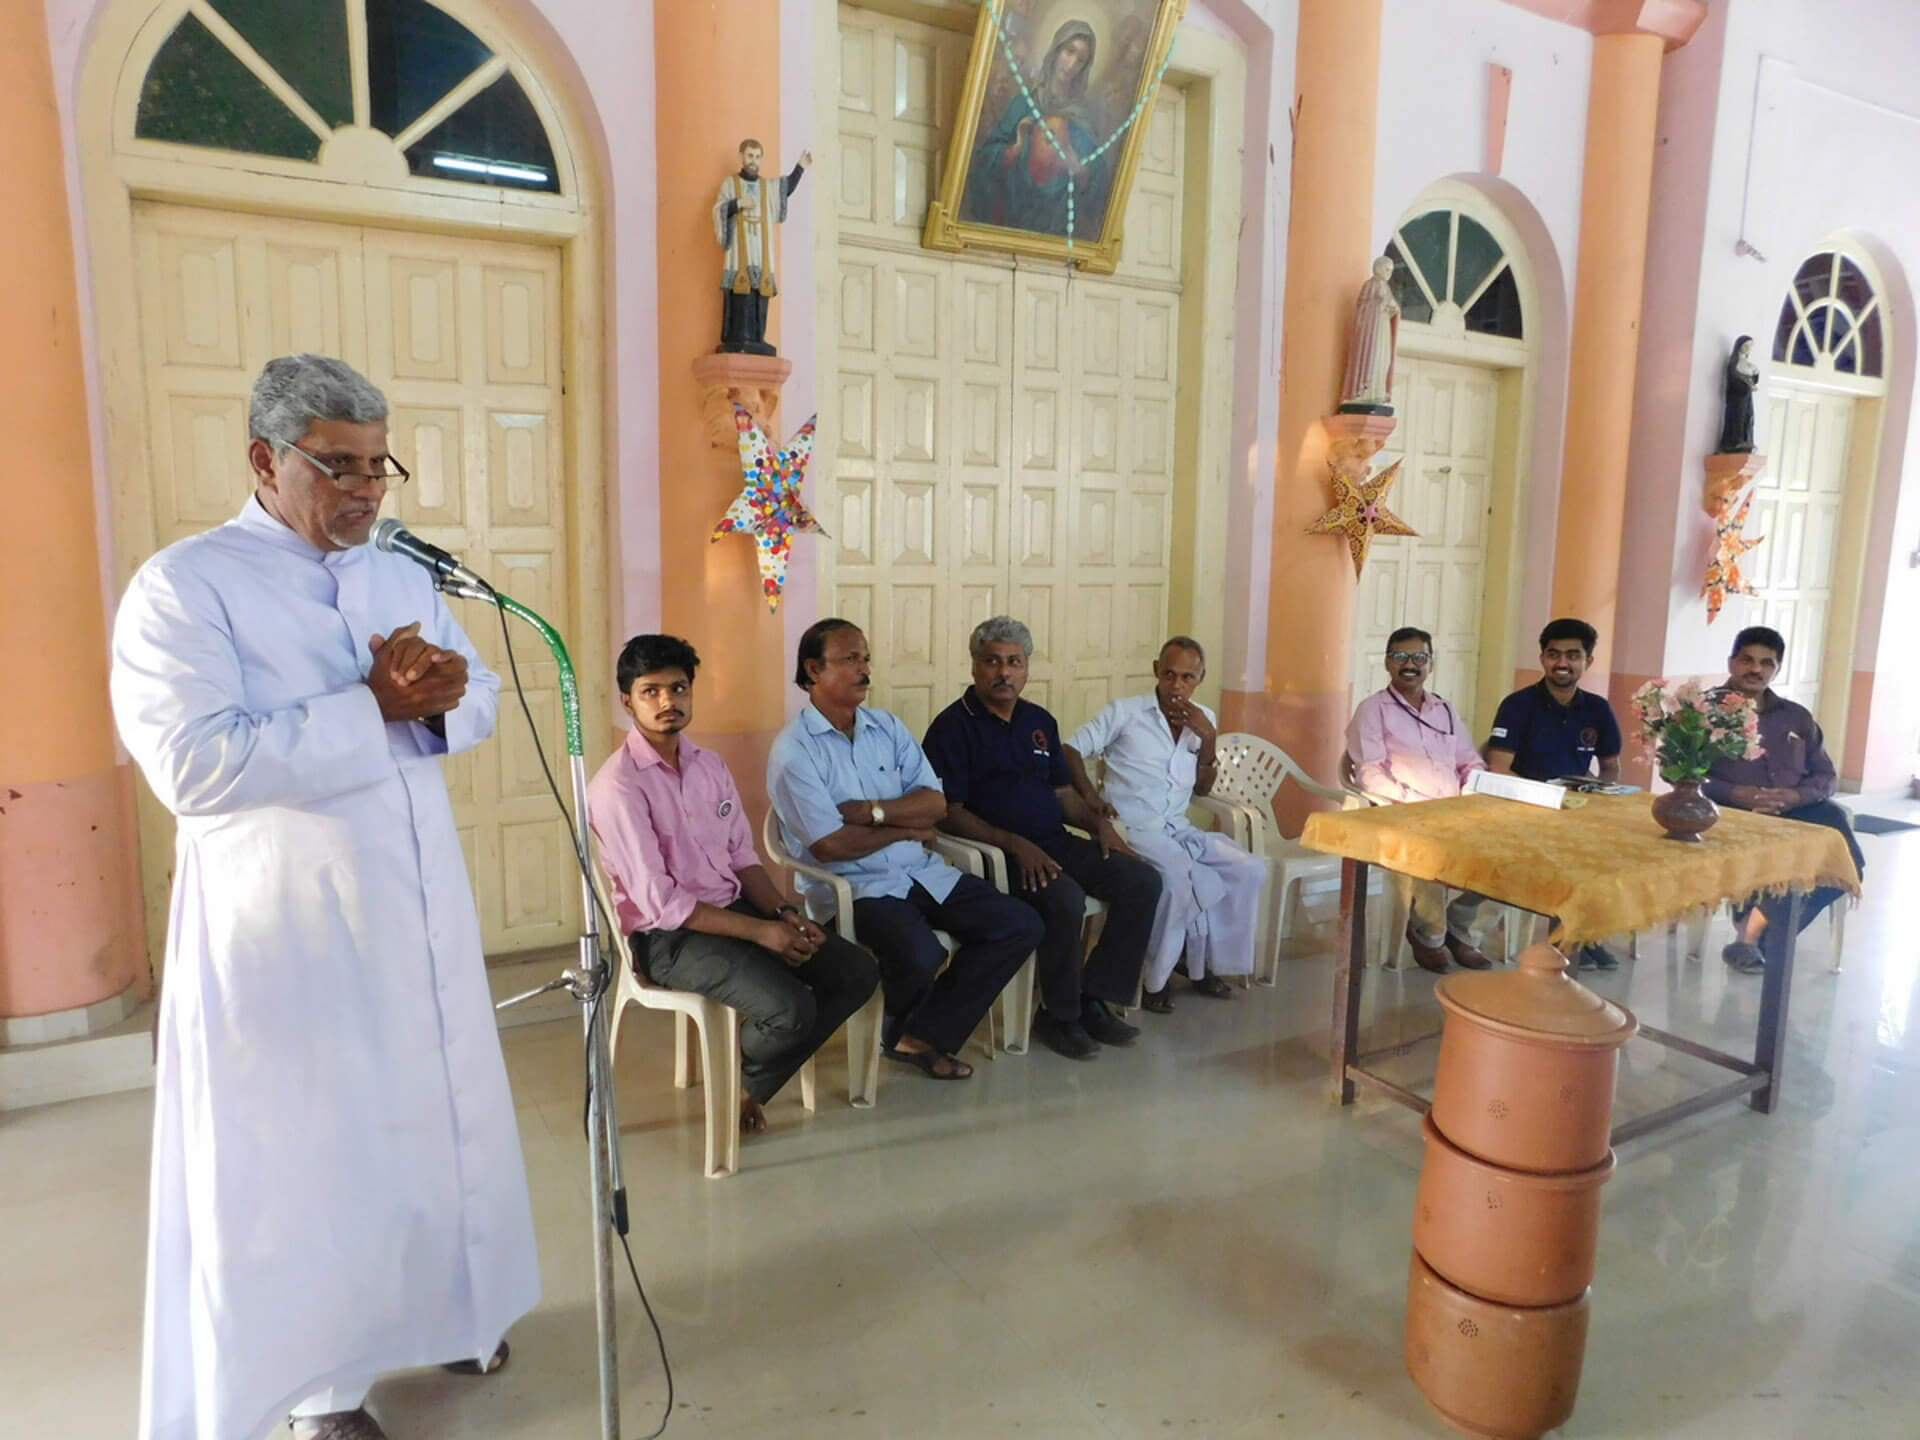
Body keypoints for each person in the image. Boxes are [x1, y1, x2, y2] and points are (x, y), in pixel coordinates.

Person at [109, 355, 538, 1440]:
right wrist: (371, 705)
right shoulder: (186, 586)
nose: (366, 489)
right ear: (265, 459)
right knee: (315, 1157)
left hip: (417, 908)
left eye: (378, 465)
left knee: (436, 1126)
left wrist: (442, 699)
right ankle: (319, 1391)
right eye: (338, 466)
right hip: (289, 935)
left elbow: (477, 691)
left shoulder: (398, 574)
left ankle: (455, 1310)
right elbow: (193, 765)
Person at [587, 634, 878, 1134]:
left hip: (735, 909)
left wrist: (785, 915)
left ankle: (746, 1084)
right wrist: (763, 933)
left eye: (678, 688)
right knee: (791, 1008)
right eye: (651, 691)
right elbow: (662, 903)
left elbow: (743, 858)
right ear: (627, 702)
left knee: (855, 971)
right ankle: (743, 1081)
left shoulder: (709, 766)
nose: (667, 701)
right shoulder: (618, 786)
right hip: (668, 939)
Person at [767, 619, 1043, 1080]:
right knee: (921, 954)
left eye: (866, 658)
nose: (864, 669)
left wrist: (873, 812)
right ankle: (913, 1033)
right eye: (850, 659)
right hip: (856, 888)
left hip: (922, 870)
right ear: (813, 669)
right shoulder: (794, 750)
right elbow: (831, 845)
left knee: (1019, 924)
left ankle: (918, 1034)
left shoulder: (887, 728)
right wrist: (904, 829)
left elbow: (934, 803)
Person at [922, 617, 1159, 1060]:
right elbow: (948, 812)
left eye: (1014, 662)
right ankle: (1059, 1015)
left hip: (1055, 842)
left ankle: (1093, 998)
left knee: (1142, 881)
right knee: (1064, 898)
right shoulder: (952, 727)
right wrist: (1013, 844)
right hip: (999, 857)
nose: (1004, 672)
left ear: (1027, 668)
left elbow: (1063, 793)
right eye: (993, 661)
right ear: (974, 666)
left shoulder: (1039, 721)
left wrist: (1098, 825)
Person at [1065, 637, 1266, 1012]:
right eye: (1169, 674)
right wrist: (1091, 799)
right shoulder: (1126, 713)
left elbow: (1202, 788)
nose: (1176, 685)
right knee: (1176, 881)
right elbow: (1070, 749)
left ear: (1200, 678)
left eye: (1187, 677)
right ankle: (1153, 981)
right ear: (1156, 670)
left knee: (1249, 869)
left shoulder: (1203, 720)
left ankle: (1205, 964)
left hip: (1177, 828)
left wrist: (1208, 738)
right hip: (1132, 829)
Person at [1704, 626, 1865, 974]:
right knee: (1764, 851)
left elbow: (1826, 776)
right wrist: (1735, 793)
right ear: (1731, 662)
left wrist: (1795, 795)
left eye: (1767, 663)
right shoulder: (1701, 711)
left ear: (1777, 669)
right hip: (1735, 812)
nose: (1755, 669)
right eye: (1747, 660)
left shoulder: (1796, 716)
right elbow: (1683, 774)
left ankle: (1755, 928)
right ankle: (1760, 934)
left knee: (1845, 855)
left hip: (1796, 808)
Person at [1346, 626, 1493, 974]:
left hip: (1454, 810)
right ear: (1387, 662)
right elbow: (1369, 773)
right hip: (1402, 812)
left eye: (1419, 657)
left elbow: (1470, 762)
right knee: (1431, 849)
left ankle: (1460, 927)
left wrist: (1468, 795)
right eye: (1401, 657)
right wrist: (1416, 803)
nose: (1410, 665)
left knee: (1507, 851)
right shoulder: (1372, 710)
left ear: (1430, 663)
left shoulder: (1445, 709)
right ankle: (1430, 935)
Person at [1485, 618, 1626, 970]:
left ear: (1588, 661)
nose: (1562, 663)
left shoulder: (1597, 709)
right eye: (1554, 654)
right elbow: (1499, 767)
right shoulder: (1518, 705)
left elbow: (1610, 766)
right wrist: (1545, 800)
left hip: (1576, 806)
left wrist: (1600, 800)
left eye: (1573, 655)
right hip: (1523, 807)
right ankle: (1569, 937)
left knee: (1610, 850)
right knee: (1566, 853)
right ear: (1542, 658)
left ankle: (1582, 934)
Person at [963, 19, 1105, 237]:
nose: (1071, 64)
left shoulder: (1082, 119)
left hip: (1058, 230)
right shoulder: (1023, 104)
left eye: (1080, 60)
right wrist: (1015, 149)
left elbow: (1101, 182)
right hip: (1011, 223)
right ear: (1057, 50)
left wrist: (1081, 170)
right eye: (1069, 51)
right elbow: (983, 161)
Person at [713, 138, 812, 355]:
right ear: (741, 157)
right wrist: (739, 203)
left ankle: (757, 337)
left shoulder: (767, 188)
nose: (753, 161)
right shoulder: (731, 184)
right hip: (739, 252)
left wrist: (800, 167)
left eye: (757, 157)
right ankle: (739, 337)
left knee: (760, 291)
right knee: (741, 291)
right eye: (750, 156)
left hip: (761, 250)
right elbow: (719, 209)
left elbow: (785, 188)